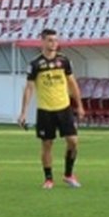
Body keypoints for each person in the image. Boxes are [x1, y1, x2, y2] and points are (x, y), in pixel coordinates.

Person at [17, 28, 85, 189]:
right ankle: (48, 179)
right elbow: (29, 88)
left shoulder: (64, 61)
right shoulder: (35, 64)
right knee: (47, 144)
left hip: (64, 108)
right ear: (42, 41)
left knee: (73, 142)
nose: (53, 43)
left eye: (55, 40)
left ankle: (68, 174)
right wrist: (23, 113)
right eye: (50, 40)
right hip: (45, 110)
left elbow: (72, 83)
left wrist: (80, 105)